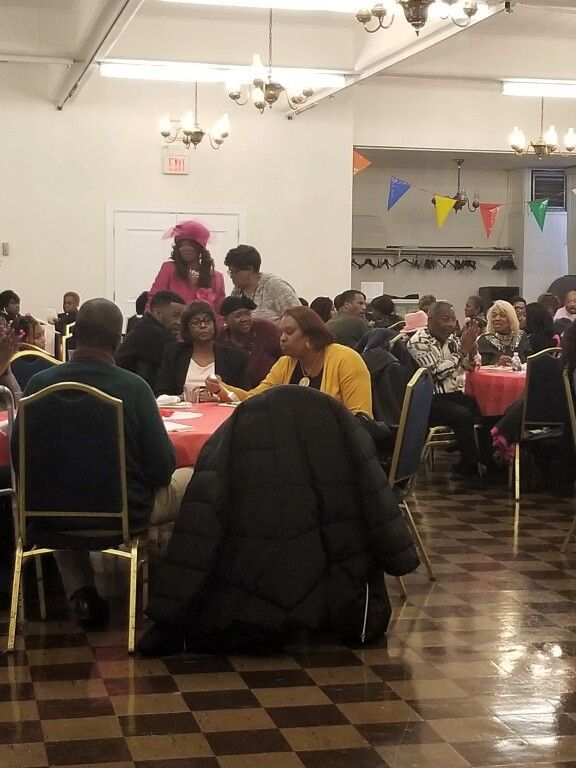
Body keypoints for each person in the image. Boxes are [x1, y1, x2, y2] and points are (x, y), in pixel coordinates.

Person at [138, 385, 419, 656]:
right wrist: (399, 556)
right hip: (340, 590)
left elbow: (202, 520)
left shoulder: (232, 432)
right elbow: (376, 497)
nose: (283, 339)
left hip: (242, 598)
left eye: (289, 332)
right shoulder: (337, 420)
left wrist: (172, 610)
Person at [12, 298, 193, 627]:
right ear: (117, 340)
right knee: (193, 476)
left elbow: (19, 459)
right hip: (124, 513)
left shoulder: (38, 385)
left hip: (48, 514)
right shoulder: (133, 388)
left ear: (75, 335)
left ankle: (80, 592)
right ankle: (182, 591)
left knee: (62, 492)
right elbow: (161, 467)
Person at [206, 306, 372, 417]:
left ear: (311, 336)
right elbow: (254, 398)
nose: (283, 338)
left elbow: (360, 418)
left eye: (289, 332)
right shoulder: (285, 363)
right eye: (281, 333)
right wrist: (221, 388)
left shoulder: (346, 359)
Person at [408, 301, 483, 484]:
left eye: (452, 319)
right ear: (430, 320)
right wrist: (462, 351)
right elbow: (437, 372)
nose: (450, 324)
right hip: (427, 400)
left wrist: (472, 352)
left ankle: (486, 461)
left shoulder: (451, 340)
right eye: (445, 319)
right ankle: (472, 469)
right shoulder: (418, 342)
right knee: (462, 415)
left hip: (452, 394)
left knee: (485, 409)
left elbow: (465, 367)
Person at [156, 300, 248, 399]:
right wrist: (182, 398)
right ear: (187, 328)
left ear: (214, 324)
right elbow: (161, 393)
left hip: (222, 412)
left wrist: (218, 398)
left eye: (207, 321)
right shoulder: (173, 353)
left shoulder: (235, 358)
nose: (203, 326)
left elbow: (244, 398)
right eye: (196, 322)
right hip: (182, 412)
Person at [149, 220, 225, 316]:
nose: (185, 248)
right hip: (171, 327)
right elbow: (154, 300)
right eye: (181, 245)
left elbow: (219, 312)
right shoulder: (169, 268)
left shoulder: (217, 278)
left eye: (190, 244)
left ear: (199, 247)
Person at [115, 290, 185, 387]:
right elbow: (181, 363)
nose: (179, 322)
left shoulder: (144, 326)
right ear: (157, 313)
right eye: (176, 316)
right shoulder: (155, 334)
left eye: (182, 317)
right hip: (129, 391)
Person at [217, 295, 282, 388]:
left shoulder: (267, 329)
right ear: (225, 320)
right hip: (232, 394)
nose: (244, 319)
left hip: (270, 391)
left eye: (248, 314)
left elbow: (286, 358)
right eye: (238, 315)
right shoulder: (220, 338)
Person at [224, 244, 300, 323]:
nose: (231, 276)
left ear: (249, 269)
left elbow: (299, 319)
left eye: (234, 272)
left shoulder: (275, 286)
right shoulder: (237, 291)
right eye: (230, 272)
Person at [477, 300, 531, 366]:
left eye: (502, 315)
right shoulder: (485, 339)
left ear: (511, 318)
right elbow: (480, 368)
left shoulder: (521, 336)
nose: (497, 319)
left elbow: (529, 364)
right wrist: (498, 364)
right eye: (494, 316)